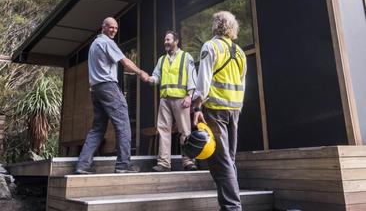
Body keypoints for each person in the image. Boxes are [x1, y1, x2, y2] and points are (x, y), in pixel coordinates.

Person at [75, 17, 150, 174]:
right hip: (108, 87)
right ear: (103, 27)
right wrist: (140, 72)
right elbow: (125, 62)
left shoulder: (94, 44)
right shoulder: (106, 42)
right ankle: (123, 165)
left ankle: (82, 165)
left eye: (115, 28)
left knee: (97, 128)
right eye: (110, 27)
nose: (114, 30)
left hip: (96, 89)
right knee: (123, 124)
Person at [192, 11, 247, 211]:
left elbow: (203, 81)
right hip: (234, 110)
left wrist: (197, 107)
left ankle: (232, 208)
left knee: (221, 162)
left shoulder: (211, 46)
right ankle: (231, 206)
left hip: (215, 110)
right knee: (228, 160)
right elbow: (243, 82)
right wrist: (237, 108)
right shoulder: (240, 52)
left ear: (216, 25)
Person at [149, 30, 197, 172]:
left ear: (176, 41)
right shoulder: (162, 60)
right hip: (165, 99)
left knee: (185, 131)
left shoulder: (186, 57)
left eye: (168, 39)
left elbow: (192, 77)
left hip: (181, 99)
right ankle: (164, 163)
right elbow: (156, 76)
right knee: (163, 130)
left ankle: (189, 162)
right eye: (165, 40)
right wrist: (150, 79)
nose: (166, 42)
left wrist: (189, 95)